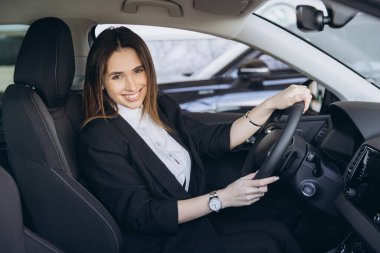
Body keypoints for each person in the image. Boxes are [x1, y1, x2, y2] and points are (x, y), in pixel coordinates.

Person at [77, 27, 312, 253]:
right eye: (117, 76)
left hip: (196, 222)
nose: (132, 85)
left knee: (281, 225)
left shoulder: (160, 108)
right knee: (266, 244)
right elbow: (143, 214)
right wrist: (222, 199)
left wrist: (270, 104)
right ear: (100, 81)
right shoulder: (99, 138)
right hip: (162, 242)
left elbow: (213, 139)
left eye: (138, 71)